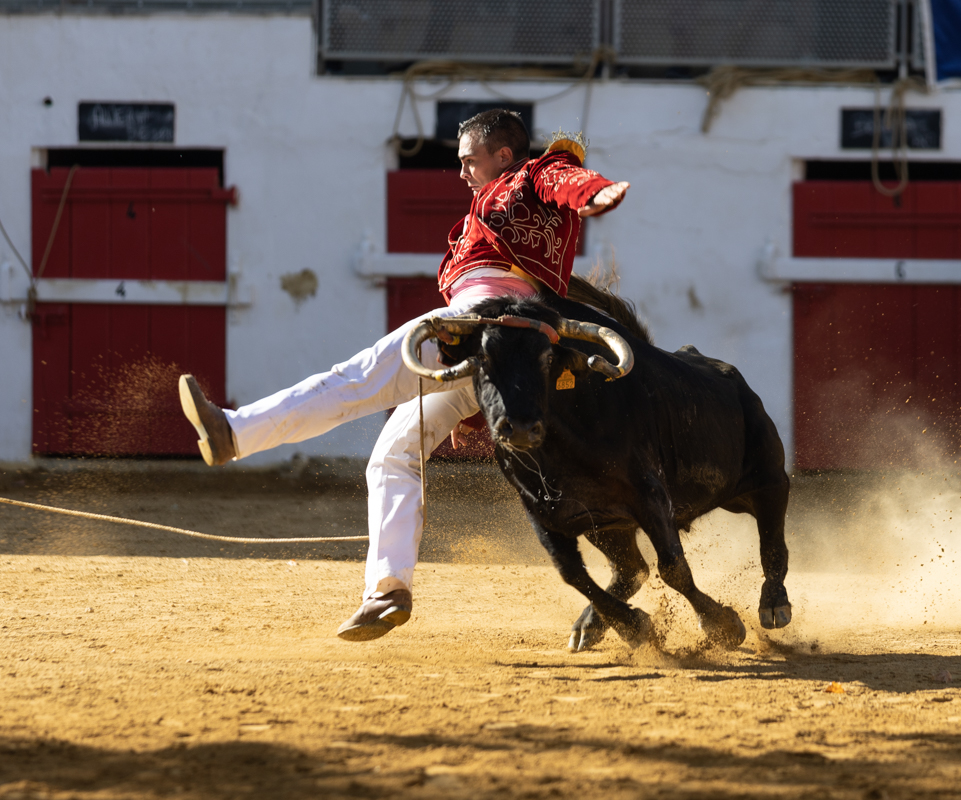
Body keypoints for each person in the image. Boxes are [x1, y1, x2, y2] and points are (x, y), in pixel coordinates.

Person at [178, 109, 629, 642]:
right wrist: (482, 393)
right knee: (393, 453)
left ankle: (235, 432)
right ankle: (387, 591)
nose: (461, 172)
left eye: (469, 160)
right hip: (502, 346)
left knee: (354, 381)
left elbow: (561, 177)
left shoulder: (527, 176)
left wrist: (594, 192)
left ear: (503, 156)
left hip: (476, 319)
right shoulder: (512, 211)